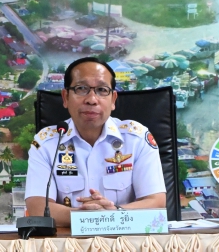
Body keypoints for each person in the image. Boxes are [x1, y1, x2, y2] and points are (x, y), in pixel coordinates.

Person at [25, 57, 166, 226]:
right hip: (68, 240)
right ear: (65, 97)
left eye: (101, 90)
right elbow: (37, 207)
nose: (91, 99)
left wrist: (114, 213)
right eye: (81, 89)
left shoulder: (136, 139)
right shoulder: (46, 143)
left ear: (113, 100)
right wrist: (85, 216)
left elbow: (156, 202)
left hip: (126, 239)